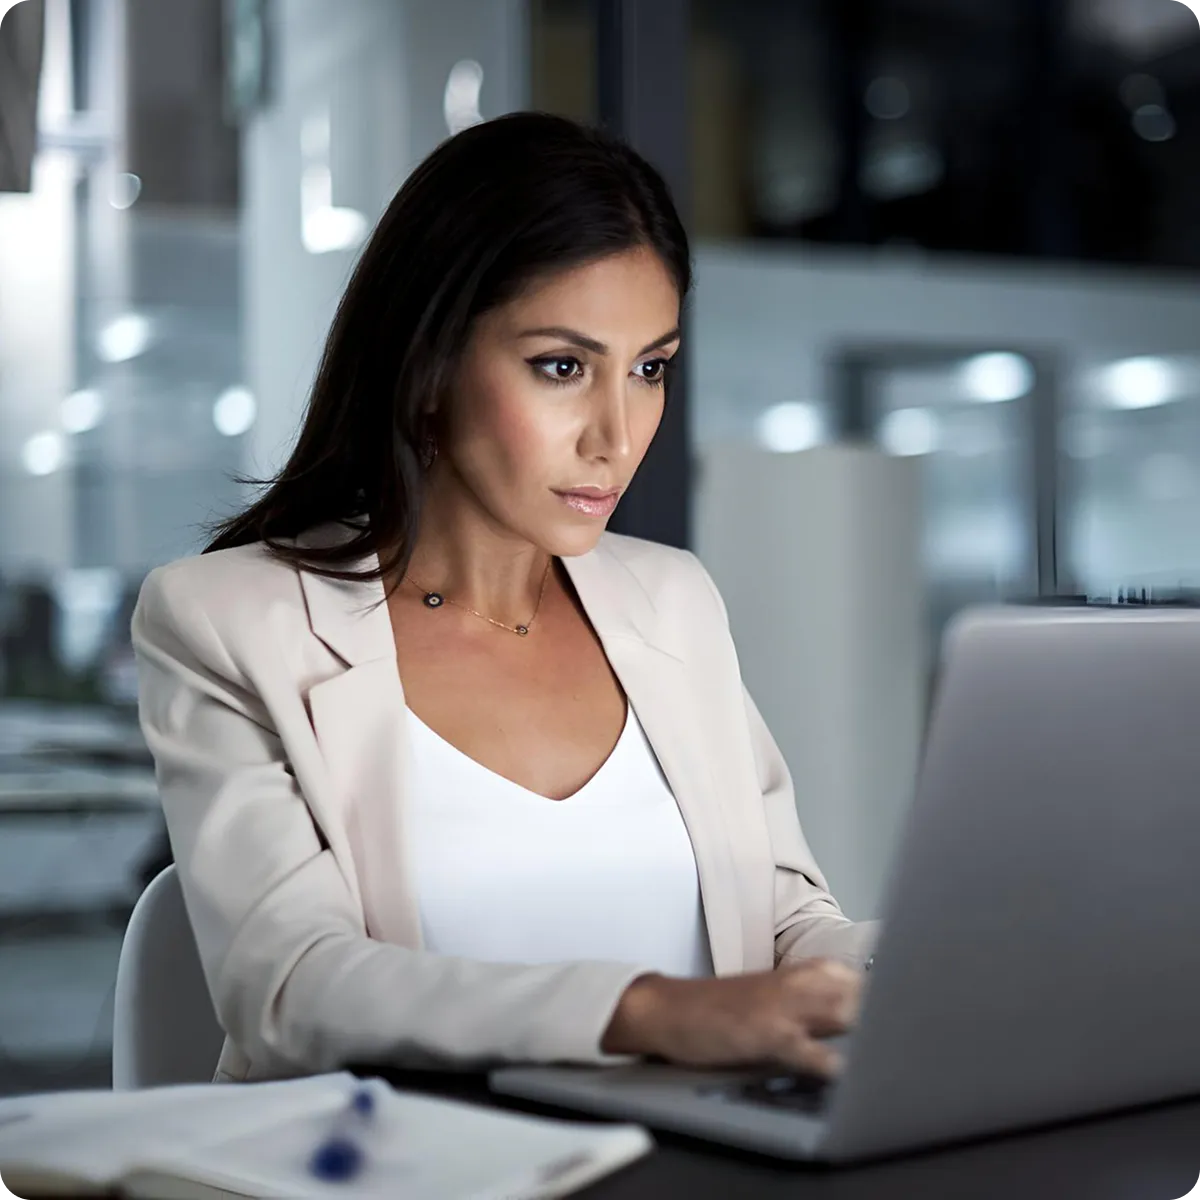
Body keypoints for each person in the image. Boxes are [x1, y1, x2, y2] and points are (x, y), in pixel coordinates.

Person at [131, 112, 877, 1087]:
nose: (617, 433)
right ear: (429, 364)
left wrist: (939, 958)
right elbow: (291, 990)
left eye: (649, 369)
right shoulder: (226, 623)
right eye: (562, 367)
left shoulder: (673, 601)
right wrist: (652, 1013)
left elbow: (786, 923)